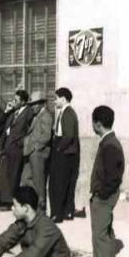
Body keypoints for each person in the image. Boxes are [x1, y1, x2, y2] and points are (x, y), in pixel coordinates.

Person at [86, 106, 125, 257]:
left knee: (100, 236)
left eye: (93, 122)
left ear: (98, 124)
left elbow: (113, 177)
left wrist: (101, 194)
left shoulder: (110, 144)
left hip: (104, 198)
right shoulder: (109, 141)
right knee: (107, 235)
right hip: (105, 196)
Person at [0, 90, 33, 211]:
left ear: (23, 101)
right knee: (2, 174)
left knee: (13, 175)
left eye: (16, 100)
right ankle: (5, 199)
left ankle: (9, 201)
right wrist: (6, 111)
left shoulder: (28, 112)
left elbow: (30, 130)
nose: (14, 102)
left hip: (16, 148)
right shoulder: (13, 112)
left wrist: (21, 142)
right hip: (6, 146)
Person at [48, 87, 80, 223]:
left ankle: (58, 214)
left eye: (56, 99)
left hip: (64, 153)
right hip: (68, 152)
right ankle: (67, 212)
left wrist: (59, 148)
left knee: (58, 183)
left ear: (63, 99)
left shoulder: (67, 113)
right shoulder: (66, 112)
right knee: (66, 183)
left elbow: (68, 136)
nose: (54, 102)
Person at [20, 91, 54, 212]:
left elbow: (47, 136)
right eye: (31, 104)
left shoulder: (46, 115)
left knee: (39, 182)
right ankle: (32, 204)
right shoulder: (37, 115)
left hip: (38, 154)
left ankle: (41, 209)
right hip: (30, 153)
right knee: (25, 179)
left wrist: (35, 147)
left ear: (41, 104)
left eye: (34, 104)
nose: (32, 107)